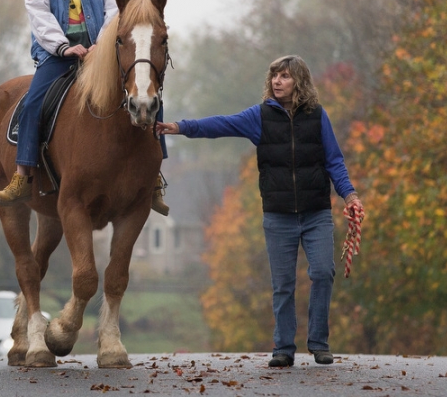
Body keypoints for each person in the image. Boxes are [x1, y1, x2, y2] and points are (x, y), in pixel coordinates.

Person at [155, 55, 363, 367]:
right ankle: (283, 348)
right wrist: (181, 127)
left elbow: (334, 160)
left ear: (299, 81)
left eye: (284, 76)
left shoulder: (317, 116)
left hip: (316, 213)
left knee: (323, 272)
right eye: (274, 76)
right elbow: (222, 124)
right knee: (283, 285)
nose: (277, 81)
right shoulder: (260, 117)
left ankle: (319, 343)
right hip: (278, 216)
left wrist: (350, 195)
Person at [0, 0, 169, 214]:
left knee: (147, 93)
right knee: (33, 103)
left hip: (100, 53)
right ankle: (22, 176)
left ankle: (154, 179)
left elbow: (117, 10)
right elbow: (40, 16)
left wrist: (100, 45)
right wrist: (62, 46)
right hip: (57, 55)